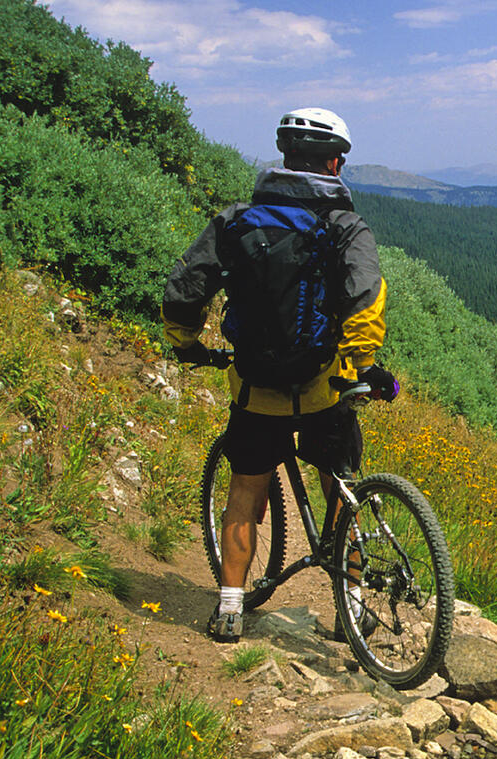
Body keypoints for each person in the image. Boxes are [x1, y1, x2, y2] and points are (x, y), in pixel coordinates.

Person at [161, 107, 396, 642]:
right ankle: (351, 610)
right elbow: (366, 299)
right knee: (343, 490)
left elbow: (185, 290)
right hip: (324, 386)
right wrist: (362, 365)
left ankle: (228, 608)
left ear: (285, 157)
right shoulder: (344, 226)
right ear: (335, 163)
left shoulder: (236, 220)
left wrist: (187, 344)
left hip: (254, 387)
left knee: (245, 490)